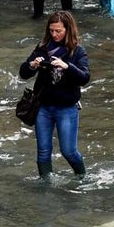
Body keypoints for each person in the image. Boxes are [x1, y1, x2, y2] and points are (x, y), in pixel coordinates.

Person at [19, 11, 91, 179]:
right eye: (51, 30)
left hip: (66, 107)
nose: (54, 34)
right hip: (42, 106)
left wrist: (67, 67)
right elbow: (23, 73)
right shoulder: (42, 47)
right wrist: (32, 65)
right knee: (43, 151)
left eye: (58, 31)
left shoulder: (77, 51)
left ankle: (82, 178)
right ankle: (46, 185)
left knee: (68, 151)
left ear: (68, 29)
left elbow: (85, 77)